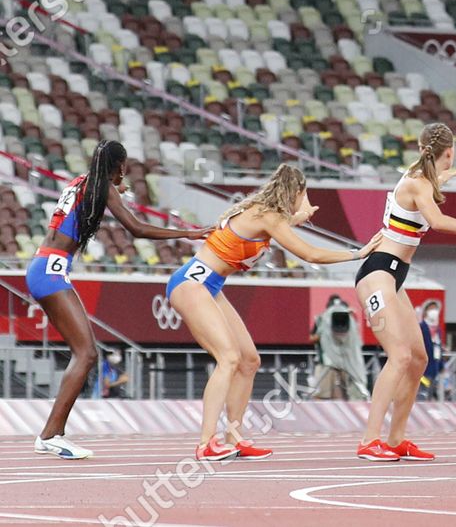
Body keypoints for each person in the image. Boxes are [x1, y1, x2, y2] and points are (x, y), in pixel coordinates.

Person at [169, 164, 379, 461]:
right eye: (303, 194)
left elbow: (283, 222)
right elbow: (311, 254)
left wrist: (299, 215)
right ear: (296, 192)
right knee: (229, 358)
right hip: (192, 283)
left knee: (249, 360)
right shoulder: (267, 215)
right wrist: (357, 253)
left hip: (209, 284)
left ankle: (234, 436)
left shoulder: (266, 214)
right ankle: (206, 443)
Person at [29, 141, 212, 460]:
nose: (125, 172)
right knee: (86, 354)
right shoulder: (103, 187)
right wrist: (189, 234)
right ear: (117, 165)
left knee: (86, 353)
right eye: (123, 166)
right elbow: (137, 230)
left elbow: (109, 190)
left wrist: (117, 184)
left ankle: (52, 433)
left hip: (44, 265)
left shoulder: (82, 181)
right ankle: (51, 434)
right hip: (51, 271)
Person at [355, 123, 456, 462]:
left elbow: (427, 172)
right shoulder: (417, 183)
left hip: (395, 276)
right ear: (449, 153)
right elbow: (437, 221)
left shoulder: (418, 176)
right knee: (400, 356)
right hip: (378, 272)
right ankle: (369, 439)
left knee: (419, 357)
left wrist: (442, 176)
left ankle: (395, 440)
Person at [310, 295, 367, 400]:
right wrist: (324, 335)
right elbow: (311, 337)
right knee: (321, 394)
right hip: (325, 361)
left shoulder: (350, 320)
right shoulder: (322, 319)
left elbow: (354, 339)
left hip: (346, 359)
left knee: (346, 395)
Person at [417, 303, 443, 400]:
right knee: (422, 393)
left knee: (430, 394)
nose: (434, 311)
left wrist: (441, 365)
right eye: (431, 309)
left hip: (434, 368)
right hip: (423, 369)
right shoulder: (421, 327)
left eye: (436, 309)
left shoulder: (437, 330)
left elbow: (438, 348)